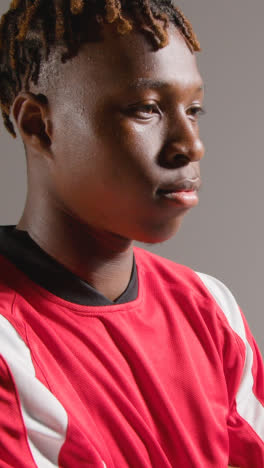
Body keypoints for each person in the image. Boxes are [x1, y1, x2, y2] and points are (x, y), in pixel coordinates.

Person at [0, 1, 263, 467]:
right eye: (146, 109)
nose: (191, 144)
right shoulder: (9, 341)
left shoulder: (209, 307)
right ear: (40, 127)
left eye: (194, 109)